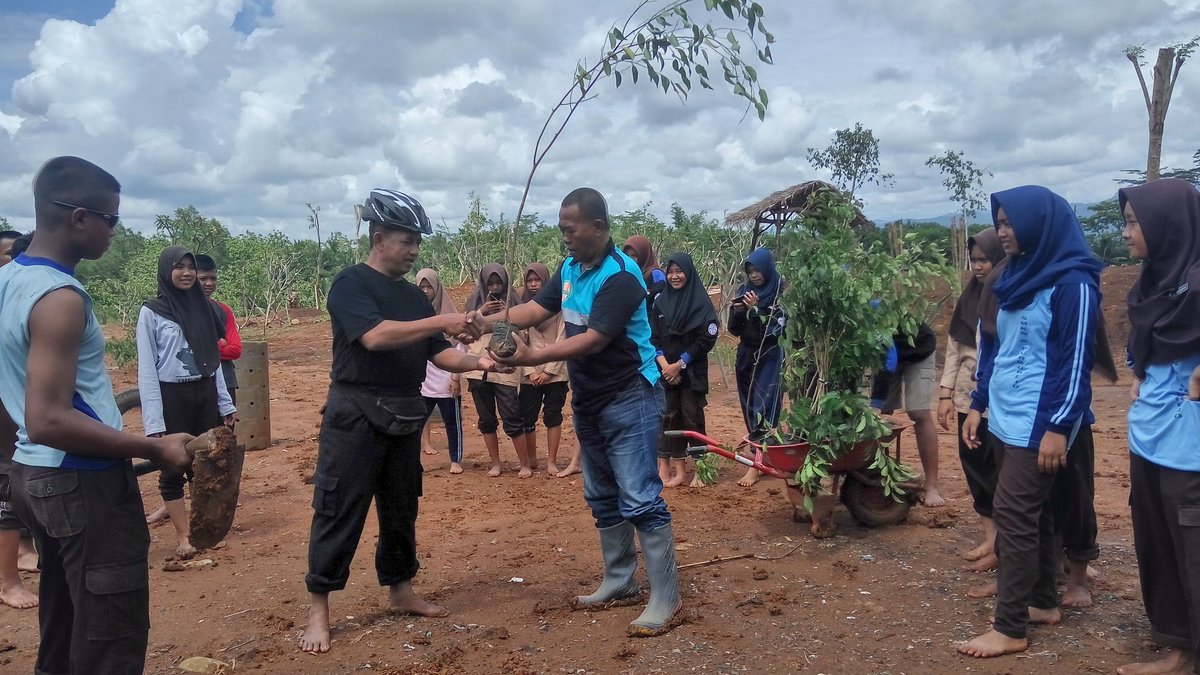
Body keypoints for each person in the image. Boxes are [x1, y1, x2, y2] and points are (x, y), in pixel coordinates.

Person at [0, 156, 192, 674]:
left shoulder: (9, 279)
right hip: (81, 482)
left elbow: (14, 402)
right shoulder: (60, 298)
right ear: (78, 217)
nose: (113, 230)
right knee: (111, 634)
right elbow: (49, 419)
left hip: (35, 476)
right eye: (111, 218)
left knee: (64, 619)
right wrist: (153, 447)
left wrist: (17, 462)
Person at [300, 188, 505, 654]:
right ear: (378, 237)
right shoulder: (350, 283)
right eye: (406, 240)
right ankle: (319, 609)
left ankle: (400, 590)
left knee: (401, 506)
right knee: (339, 507)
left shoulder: (414, 296)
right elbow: (374, 337)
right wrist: (441, 322)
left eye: (417, 241)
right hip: (354, 413)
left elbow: (438, 355)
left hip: (405, 411)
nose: (414, 250)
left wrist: (479, 363)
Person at [487, 187, 681, 637]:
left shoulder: (622, 276)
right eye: (561, 231)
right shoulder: (571, 268)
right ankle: (620, 582)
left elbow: (594, 339)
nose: (565, 239)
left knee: (640, 496)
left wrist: (530, 358)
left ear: (597, 226)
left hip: (631, 394)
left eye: (569, 230)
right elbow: (539, 307)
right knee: (601, 495)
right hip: (592, 397)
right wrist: (492, 321)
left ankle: (665, 596)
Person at [959, 185, 1103, 659]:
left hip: (1039, 423)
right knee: (1034, 515)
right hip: (1004, 414)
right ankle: (1042, 601)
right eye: (998, 222)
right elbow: (996, 348)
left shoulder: (1073, 283)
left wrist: (1060, 426)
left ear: (1039, 223)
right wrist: (978, 403)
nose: (1002, 231)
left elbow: (1075, 362)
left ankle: (1010, 626)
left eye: (1009, 222)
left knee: (1015, 516)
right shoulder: (1017, 275)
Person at [1116, 178, 1200, 675]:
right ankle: (1179, 646)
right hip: (1148, 438)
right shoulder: (1153, 284)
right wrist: (1139, 372)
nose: (1127, 232)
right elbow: (1144, 349)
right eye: (1126, 221)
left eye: (1133, 222)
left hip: (1190, 449)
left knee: (1194, 551)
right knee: (1159, 545)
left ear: (1167, 225)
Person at [136, 245, 237, 559]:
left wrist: (225, 404)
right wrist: (154, 422)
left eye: (190, 267)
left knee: (206, 466)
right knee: (172, 469)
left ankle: (201, 530)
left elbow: (212, 362)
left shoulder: (204, 309)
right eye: (179, 267)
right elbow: (147, 369)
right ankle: (182, 536)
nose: (187, 273)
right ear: (167, 272)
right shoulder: (151, 311)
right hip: (171, 397)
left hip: (204, 393)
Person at [938, 230, 1006, 568]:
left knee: (1004, 469)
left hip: (1003, 402)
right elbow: (954, 351)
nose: (978, 267)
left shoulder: (1008, 297)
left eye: (984, 259)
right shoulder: (968, 300)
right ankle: (991, 540)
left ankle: (1011, 545)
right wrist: (945, 394)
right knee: (975, 466)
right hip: (968, 399)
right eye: (974, 260)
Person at [650, 251, 718, 488]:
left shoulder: (700, 303)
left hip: (691, 372)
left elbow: (706, 339)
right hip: (666, 372)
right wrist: (666, 367)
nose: (674, 276)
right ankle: (678, 471)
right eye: (670, 272)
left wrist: (680, 364)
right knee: (669, 419)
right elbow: (653, 338)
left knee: (693, 418)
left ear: (688, 273)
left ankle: (702, 469)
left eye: (679, 272)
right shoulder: (660, 302)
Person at [0, 228, 41, 611]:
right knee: (7, 494)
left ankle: (25, 552)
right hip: (6, 413)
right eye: (9, 256)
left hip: (22, 410)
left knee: (21, 487)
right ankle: (8, 581)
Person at [464, 263, 531, 477]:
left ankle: (524, 464)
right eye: (490, 283)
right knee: (486, 419)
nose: (494, 287)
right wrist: (482, 312)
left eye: (498, 282)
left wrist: (506, 314)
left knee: (512, 416)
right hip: (477, 367)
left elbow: (525, 334)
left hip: (505, 367)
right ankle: (496, 463)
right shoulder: (474, 303)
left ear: (505, 283)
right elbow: (465, 331)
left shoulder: (515, 303)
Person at [870, 320, 944, 507]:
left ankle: (931, 486)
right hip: (887, 354)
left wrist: (876, 403)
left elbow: (890, 358)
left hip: (918, 349)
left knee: (919, 413)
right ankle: (876, 473)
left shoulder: (875, 306)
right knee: (881, 415)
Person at [729, 247, 785, 487]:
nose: (753, 275)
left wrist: (759, 309)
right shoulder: (744, 292)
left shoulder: (780, 293)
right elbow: (733, 329)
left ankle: (758, 464)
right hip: (746, 355)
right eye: (750, 271)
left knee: (763, 405)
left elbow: (779, 328)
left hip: (770, 356)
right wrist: (740, 310)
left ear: (767, 269)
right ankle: (766, 455)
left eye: (757, 270)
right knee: (749, 405)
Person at [517, 263, 576, 477]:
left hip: (556, 372)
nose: (533, 284)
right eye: (530, 281)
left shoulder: (561, 308)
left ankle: (551, 461)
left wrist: (548, 371)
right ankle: (531, 459)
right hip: (529, 373)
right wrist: (532, 371)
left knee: (553, 415)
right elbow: (521, 342)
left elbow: (563, 338)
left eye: (537, 280)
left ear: (546, 281)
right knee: (527, 417)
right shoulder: (524, 309)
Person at [415, 268, 466, 474]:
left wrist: (455, 377)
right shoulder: (413, 313)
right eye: (422, 287)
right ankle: (413, 462)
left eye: (429, 287)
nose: (426, 291)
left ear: (437, 288)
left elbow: (460, 345)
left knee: (452, 424)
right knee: (415, 426)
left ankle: (455, 460)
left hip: (446, 380)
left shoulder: (450, 314)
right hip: (423, 382)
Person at [195, 254, 242, 405]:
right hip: (196, 383)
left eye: (213, 278)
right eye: (203, 279)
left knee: (225, 428)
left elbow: (236, 349)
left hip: (226, 383)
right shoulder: (179, 312)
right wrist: (221, 344)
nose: (209, 283)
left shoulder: (222, 310)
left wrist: (207, 350)